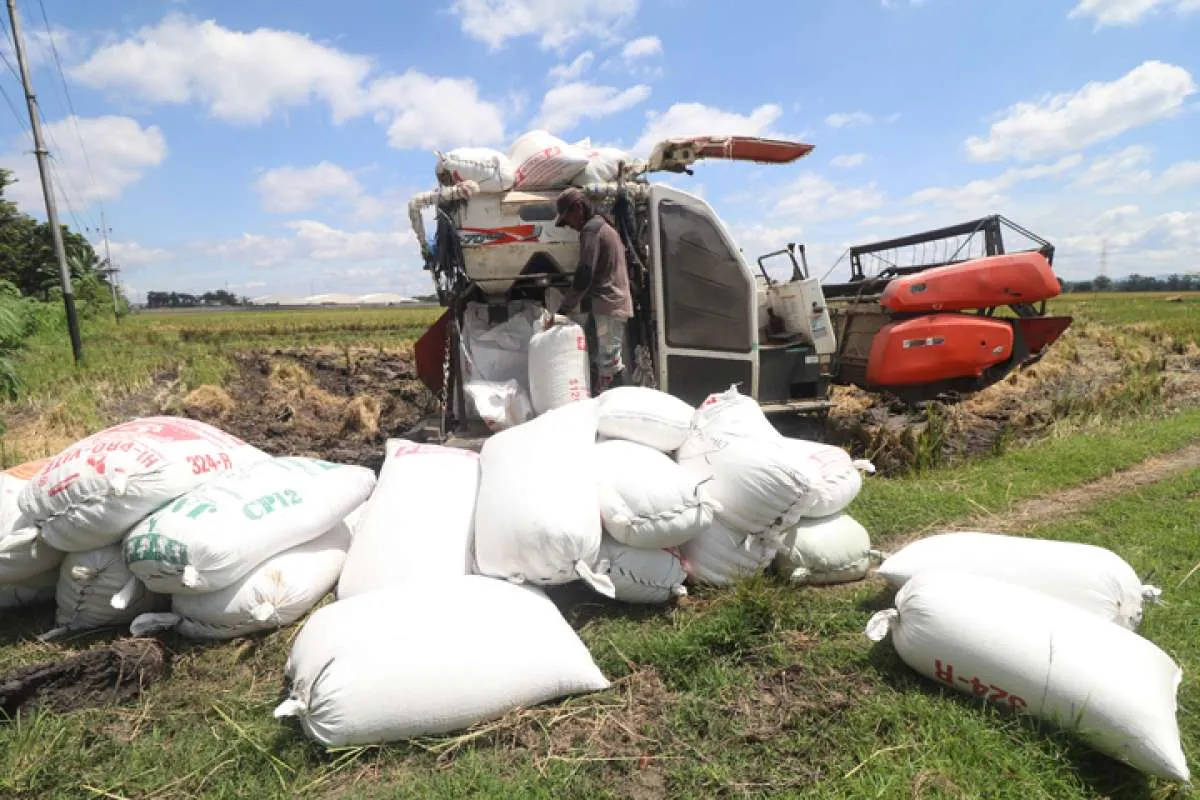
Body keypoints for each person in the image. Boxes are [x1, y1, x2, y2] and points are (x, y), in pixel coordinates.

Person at [553, 186, 634, 391]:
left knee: (610, 365)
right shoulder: (604, 226)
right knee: (599, 362)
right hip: (609, 305)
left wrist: (563, 310)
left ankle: (621, 410)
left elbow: (584, 275)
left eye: (567, 219)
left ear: (578, 208)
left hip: (608, 306)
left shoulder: (591, 229)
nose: (569, 226)